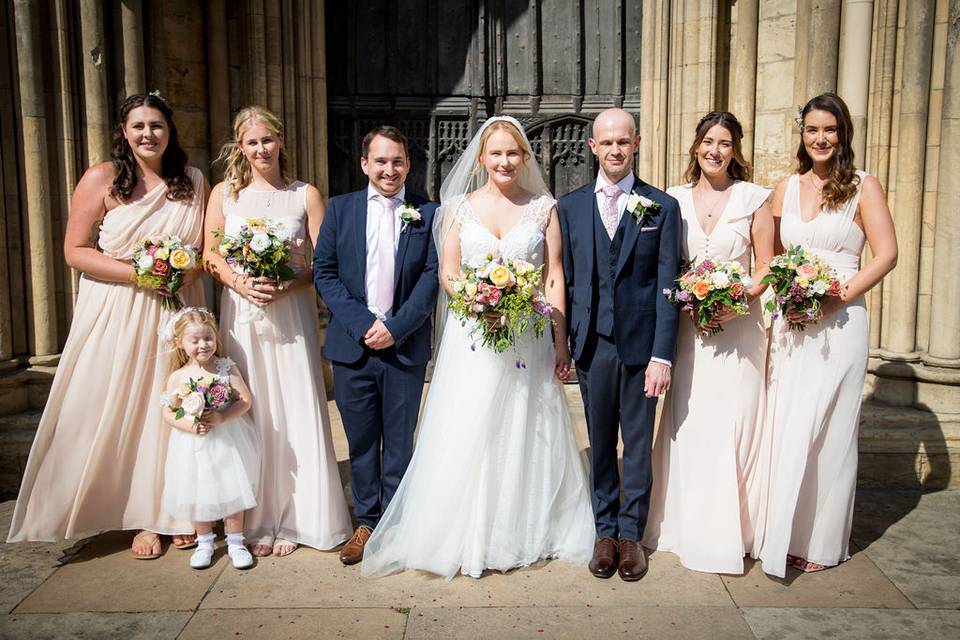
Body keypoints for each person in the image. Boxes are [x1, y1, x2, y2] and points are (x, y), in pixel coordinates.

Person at [360, 115, 595, 580]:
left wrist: (560, 340)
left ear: (524, 157)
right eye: (496, 153)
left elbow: (553, 276)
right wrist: (476, 299)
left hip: (527, 334)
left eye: (513, 153)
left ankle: (519, 526)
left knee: (525, 424)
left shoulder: (544, 208)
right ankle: (463, 531)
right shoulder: (457, 208)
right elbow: (447, 272)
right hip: (474, 336)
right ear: (481, 158)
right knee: (469, 425)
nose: (505, 161)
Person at [7, 93, 206, 558]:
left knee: (169, 406)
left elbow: (201, 250)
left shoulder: (192, 181)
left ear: (170, 130)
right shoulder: (101, 178)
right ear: (123, 131)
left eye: (157, 125)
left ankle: (168, 512)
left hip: (172, 311)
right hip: (115, 308)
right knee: (115, 406)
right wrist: (141, 273)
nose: (148, 134)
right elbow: (75, 250)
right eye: (138, 126)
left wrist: (177, 273)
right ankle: (132, 513)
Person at [759, 92, 897, 577]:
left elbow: (886, 254)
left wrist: (836, 296)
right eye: (812, 129)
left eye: (830, 130)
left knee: (831, 429)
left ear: (843, 136)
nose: (820, 138)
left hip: (841, 321)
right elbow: (771, 256)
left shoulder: (863, 186)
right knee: (789, 422)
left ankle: (819, 541)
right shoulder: (784, 188)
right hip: (794, 322)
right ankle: (780, 533)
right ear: (802, 134)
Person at [203, 106, 352, 557]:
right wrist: (240, 281)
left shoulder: (305, 194)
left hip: (290, 316)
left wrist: (288, 282)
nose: (260, 149)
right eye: (251, 142)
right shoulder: (223, 195)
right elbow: (210, 254)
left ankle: (296, 518)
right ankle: (257, 519)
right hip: (241, 315)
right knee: (251, 409)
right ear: (240, 147)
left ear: (281, 140)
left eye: (267, 139)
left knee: (294, 404)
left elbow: (323, 263)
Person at [642, 112, 774, 574]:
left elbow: (765, 265)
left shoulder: (754, 199)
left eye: (724, 143)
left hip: (739, 332)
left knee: (733, 425)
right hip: (689, 331)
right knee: (691, 424)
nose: (714, 151)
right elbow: (665, 266)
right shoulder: (671, 201)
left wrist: (739, 298)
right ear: (695, 146)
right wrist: (686, 296)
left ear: (735, 150)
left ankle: (734, 530)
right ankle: (683, 526)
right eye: (707, 141)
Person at [558, 108, 682, 581]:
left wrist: (662, 354)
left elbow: (668, 283)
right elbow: (563, 281)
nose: (614, 150)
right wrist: (563, 345)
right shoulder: (568, 208)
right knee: (599, 442)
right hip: (592, 345)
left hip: (641, 348)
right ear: (592, 147)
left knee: (636, 444)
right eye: (606, 142)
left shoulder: (661, 207)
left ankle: (631, 535)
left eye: (623, 142)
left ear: (636, 144)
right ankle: (603, 531)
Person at [313, 126, 440, 565]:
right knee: (362, 440)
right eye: (381, 161)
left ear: (409, 164)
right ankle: (366, 522)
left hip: (403, 347)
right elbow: (324, 272)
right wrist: (365, 324)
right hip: (353, 347)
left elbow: (432, 276)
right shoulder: (340, 209)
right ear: (364, 163)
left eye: (398, 161)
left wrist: (398, 327)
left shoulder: (427, 213)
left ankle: (397, 524)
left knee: (400, 441)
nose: (390, 170)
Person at [159, 308, 259, 570]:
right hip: (192, 445)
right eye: (195, 340)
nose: (203, 345)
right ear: (180, 343)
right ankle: (204, 542)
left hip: (227, 441)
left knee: (232, 486)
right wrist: (189, 426)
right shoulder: (178, 377)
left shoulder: (225, 367)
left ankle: (236, 542)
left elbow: (245, 400)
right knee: (198, 490)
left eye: (208, 338)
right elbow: (168, 412)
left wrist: (222, 418)